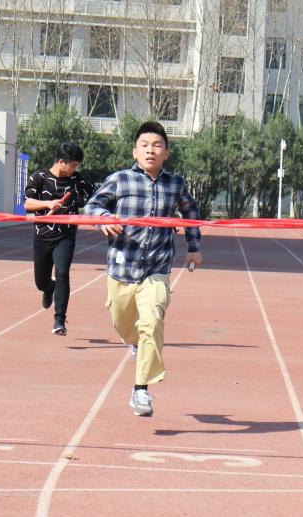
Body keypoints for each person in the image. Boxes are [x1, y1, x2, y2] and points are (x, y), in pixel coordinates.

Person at [85, 121, 202, 417]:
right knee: (123, 324)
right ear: (134, 151)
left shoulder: (175, 184)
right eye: (145, 145)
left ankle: (141, 390)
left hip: (157, 267)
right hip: (122, 267)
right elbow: (92, 206)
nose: (151, 150)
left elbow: (190, 212)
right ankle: (134, 342)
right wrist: (104, 218)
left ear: (166, 153)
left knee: (152, 321)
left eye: (157, 145)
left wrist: (194, 247)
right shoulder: (120, 180)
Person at [24, 141, 94, 335]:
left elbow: (96, 196)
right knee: (41, 282)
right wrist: (48, 204)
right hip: (43, 235)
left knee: (62, 272)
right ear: (62, 162)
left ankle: (59, 321)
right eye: (73, 165)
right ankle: (49, 288)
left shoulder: (76, 180)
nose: (75, 169)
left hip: (66, 235)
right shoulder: (39, 177)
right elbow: (27, 204)